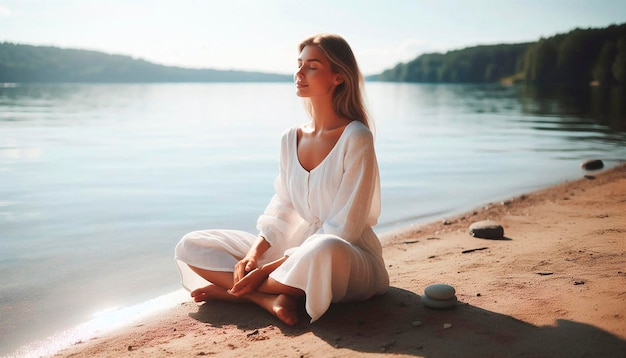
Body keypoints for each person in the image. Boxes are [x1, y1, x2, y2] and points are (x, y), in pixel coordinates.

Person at [174, 33, 389, 326]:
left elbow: (344, 229)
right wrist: (254, 255)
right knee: (191, 245)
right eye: (299, 64)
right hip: (293, 250)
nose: (299, 73)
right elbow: (283, 204)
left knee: (322, 248)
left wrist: (265, 269)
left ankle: (239, 289)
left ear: (338, 77)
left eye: (312, 66)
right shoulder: (291, 138)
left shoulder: (356, 137)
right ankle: (265, 297)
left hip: (345, 258)